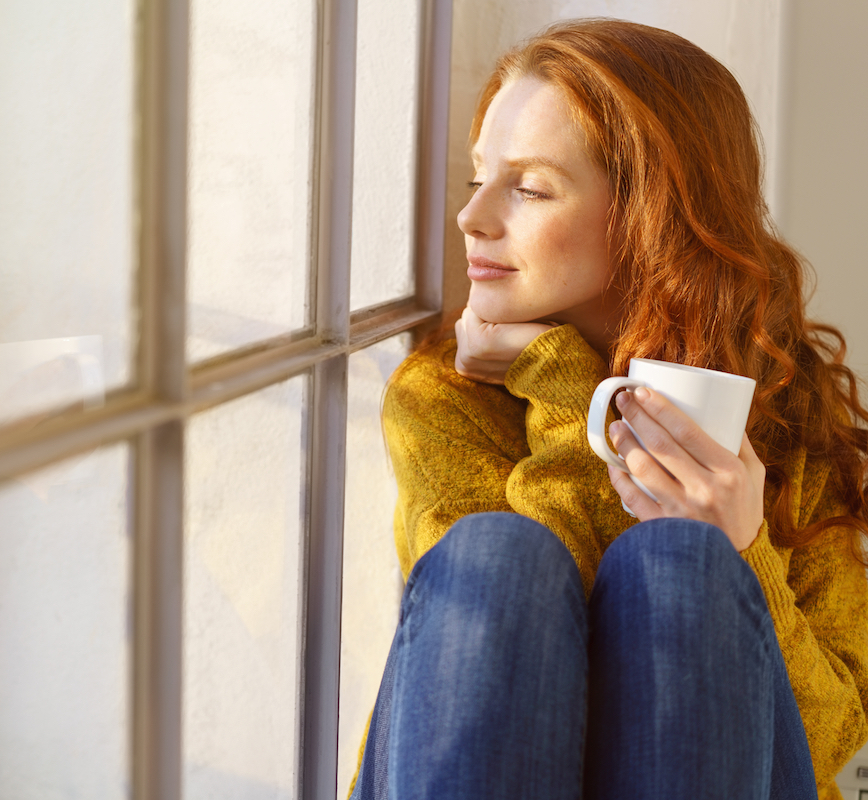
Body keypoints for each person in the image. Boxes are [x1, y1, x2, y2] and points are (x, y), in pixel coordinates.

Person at [349, 18, 868, 800]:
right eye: (477, 177)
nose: (473, 216)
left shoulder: (785, 409)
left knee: (683, 563)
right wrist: (559, 380)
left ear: (652, 212)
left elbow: (827, 738)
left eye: (528, 188)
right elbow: (515, 666)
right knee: (499, 554)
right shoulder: (443, 396)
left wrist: (742, 547)